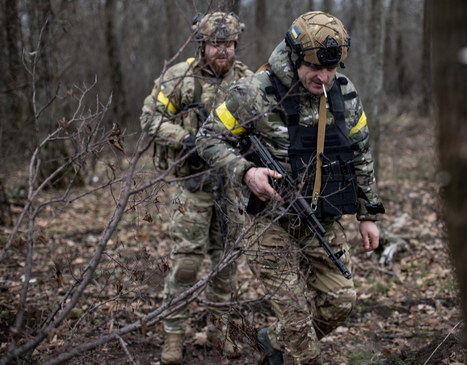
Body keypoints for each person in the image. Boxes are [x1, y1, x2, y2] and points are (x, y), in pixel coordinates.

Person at [196, 11, 385, 364]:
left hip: (321, 217)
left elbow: (360, 153)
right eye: (315, 67)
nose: (324, 76)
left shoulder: (344, 94)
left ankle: (273, 340)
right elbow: (208, 138)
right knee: (299, 326)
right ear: (296, 56)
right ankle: (296, 348)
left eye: (331, 68)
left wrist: (368, 214)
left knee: (340, 302)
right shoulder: (253, 92)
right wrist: (246, 171)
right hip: (268, 223)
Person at [139, 11, 253, 364]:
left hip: (231, 187)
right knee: (186, 263)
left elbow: (265, 125)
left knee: (227, 264)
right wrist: (184, 138)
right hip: (192, 184)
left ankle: (221, 332)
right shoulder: (181, 78)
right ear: (203, 45)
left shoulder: (248, 81)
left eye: (229, 44)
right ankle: (173, 337)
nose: (223, 51)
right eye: (216, 44)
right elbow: (150, 117)